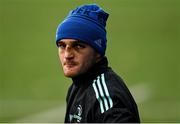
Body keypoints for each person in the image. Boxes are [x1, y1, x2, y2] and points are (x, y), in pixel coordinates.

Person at [55, 4, 140, 123]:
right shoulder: (76, 87)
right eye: (62, 46)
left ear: (98, 52)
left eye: (78, 46)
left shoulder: (107, 97)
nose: (67, 55)